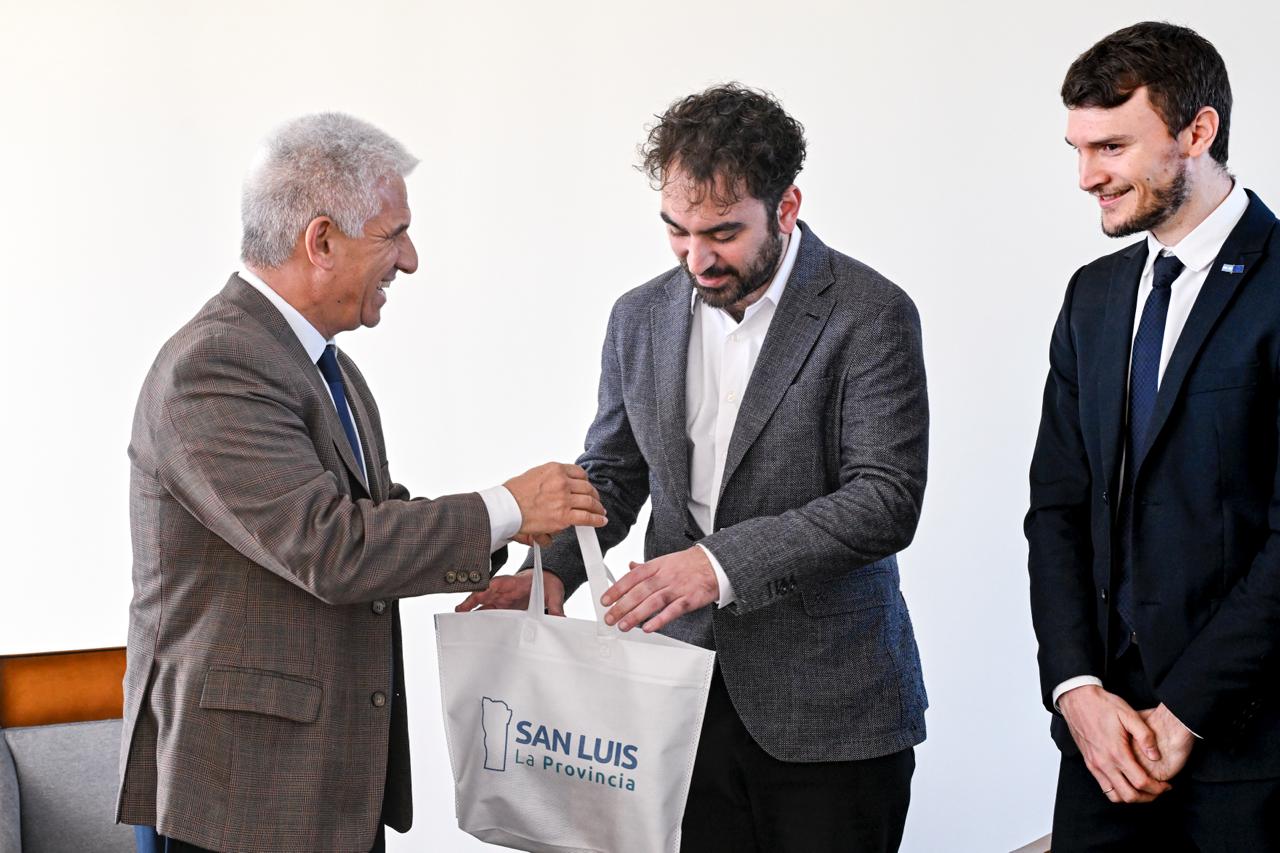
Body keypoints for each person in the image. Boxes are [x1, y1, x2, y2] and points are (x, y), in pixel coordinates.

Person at [116, 112, 606, 853]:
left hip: (325, 785)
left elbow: (373, 519)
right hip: (249, 796)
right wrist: (507, 507)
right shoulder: (214, 365)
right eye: (394, 235)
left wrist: (515, 530)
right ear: (321, 241)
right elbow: (332, 547)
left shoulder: (328, 367)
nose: (410, 260)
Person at [460, 84, 929, 852]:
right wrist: (554, 573)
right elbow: (614, 472)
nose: (696, 258)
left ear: (786, 207)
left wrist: (716, 566)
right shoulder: (637, 316)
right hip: (674, 697)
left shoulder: (871, 312)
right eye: (676, 231)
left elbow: (885, 499)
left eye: (722, 233)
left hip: (831, 707)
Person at [1026, 22, 1280, 850]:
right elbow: (1056, 510)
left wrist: (1186, 712)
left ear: (1197, 132)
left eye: (1112, 147)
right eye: (1078, 148)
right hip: (1103, 746)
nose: (1086, 176)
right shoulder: (1092, 296)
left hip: (1251, 751)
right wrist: (1075, 689)